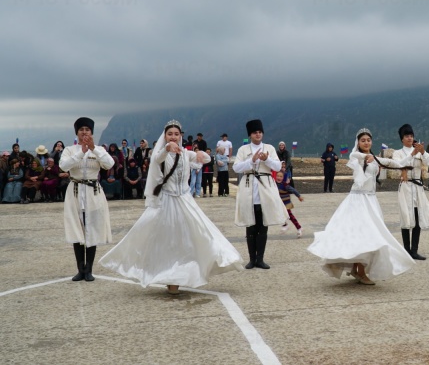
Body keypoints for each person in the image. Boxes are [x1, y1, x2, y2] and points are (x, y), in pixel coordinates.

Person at [100, 120, 244, 295]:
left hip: (185, 200)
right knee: (166, 240)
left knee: (197, 234)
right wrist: (168, 148)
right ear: (165, 136)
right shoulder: (160, 153)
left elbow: (205, 159)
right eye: (170, 134)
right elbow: (156, 158)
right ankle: (169, 276)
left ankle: (185, 273)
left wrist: (199, 154)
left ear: (181, 136)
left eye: (176, 134)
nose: (173, 137)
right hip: (166, 201)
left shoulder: (185, 153)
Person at [309, 128, 416, 285]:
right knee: (360, 235)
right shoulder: (356, 156)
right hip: (357, 201)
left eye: (368, 140)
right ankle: (360, 271)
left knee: (367, 235)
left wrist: (412, 156)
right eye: (363, 140)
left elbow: (397, 163)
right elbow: (357, 156)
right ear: (358, 142)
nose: (366, 142)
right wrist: (367, 157)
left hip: (370, 200)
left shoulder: (375, 159)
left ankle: (356, 269)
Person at [59, 117, 115, 282]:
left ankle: (89, 269)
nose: (84, 132)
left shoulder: (98, 149)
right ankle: (80, 269)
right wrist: (81, 152)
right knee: (77, 230)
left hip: (93, 193)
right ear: (76, 132)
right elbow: (64, 166)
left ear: (92, 133)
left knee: (92, 229)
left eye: (87, 130)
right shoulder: (70, 150)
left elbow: (109, 164)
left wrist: (93, 149)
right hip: (75, 192)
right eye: (81, 130)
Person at [232, 119, 287, 270]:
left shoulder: (269, 148)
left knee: (263, 224)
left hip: (265, 186)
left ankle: (260, 259)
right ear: (250, 134)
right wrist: (252, 160)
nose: (258, 134)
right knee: (251, 224)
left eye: (260, 132)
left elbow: (277, 166)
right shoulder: (244, 150)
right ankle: (251, 259)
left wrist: (266, 159)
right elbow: (236, 167)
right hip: (249, 186)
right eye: (255, 132)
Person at [392, 124, 429, 260]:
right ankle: (406, 250)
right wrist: (412, 154)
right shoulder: (398, 153)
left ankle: (414, 250)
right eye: (407, 136)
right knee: (406, 217)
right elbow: (398, 165)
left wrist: (423, 152)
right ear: (402, 139)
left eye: (411, 136)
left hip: (417, 186)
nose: (410, 138)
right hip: (406, 186)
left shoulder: (419, 150)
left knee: (418, 217)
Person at [276, 170, 303, 238]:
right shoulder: (274, 184)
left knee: (290, 216)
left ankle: (299, 228)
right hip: (279, 204)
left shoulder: (285, 185)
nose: (279, 177)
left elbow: (293, 190)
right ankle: (285, 225)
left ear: (283, 178)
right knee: (278, 214)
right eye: (278, 176)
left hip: (286, 203)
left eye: (281, 176)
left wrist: (299, 196)